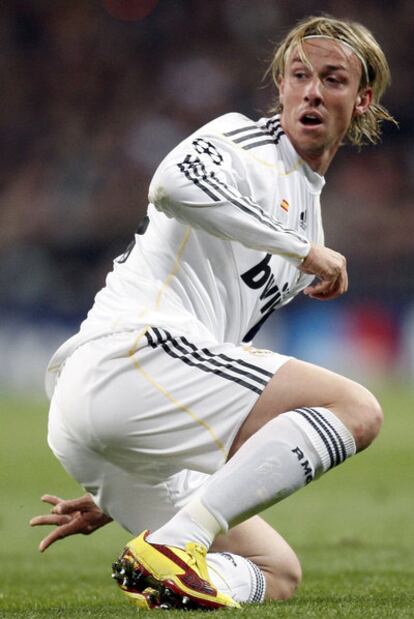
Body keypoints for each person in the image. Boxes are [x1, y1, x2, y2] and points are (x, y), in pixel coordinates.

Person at [31, 14, 396, 610]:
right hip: (128, 354)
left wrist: (120, 486)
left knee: (275, 572)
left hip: (120, 423)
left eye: (333, 79)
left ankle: (167, 583)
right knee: (355, 409)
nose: (312, 91)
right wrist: (304, 252)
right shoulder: (243, 143)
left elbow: (224, 345)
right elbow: (171, 185)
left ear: (362, 100)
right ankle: (178, 543)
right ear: (279, 87)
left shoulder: (308, 210)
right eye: (299, 75)